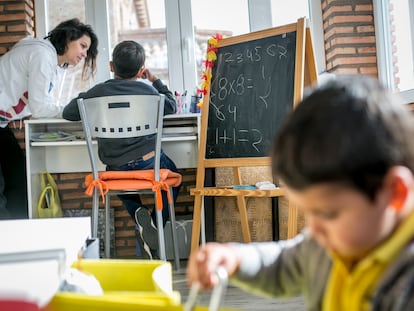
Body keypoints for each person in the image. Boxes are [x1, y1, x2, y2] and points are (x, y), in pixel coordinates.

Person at [187, 75, 414, 311]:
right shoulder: (326, 245)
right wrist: (234, 258)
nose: (312, 229)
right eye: (307, 212)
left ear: (395, 193)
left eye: (327, 213)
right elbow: (281, 263)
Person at [63, 40, 181, 259]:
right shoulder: (150, 93)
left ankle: (139, 214)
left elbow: (68, 113)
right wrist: (154, 80)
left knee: (118, 181)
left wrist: (86, 99)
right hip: (148, 163)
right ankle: (154, 223)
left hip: (115, 167)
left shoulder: (97, 93)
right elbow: (172, 106)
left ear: (111, 66)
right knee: (172, 175)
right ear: (141, 70)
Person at [0, 18, 98, 219]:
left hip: (1, 123)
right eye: (82, 46)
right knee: (8, 184)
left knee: (18, 180)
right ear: (69, 38)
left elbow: (41, 102)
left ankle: (15, 237)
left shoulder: (44, 54)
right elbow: (40, 107)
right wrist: (71, 111)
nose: (84, 54)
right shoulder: (42, 54)